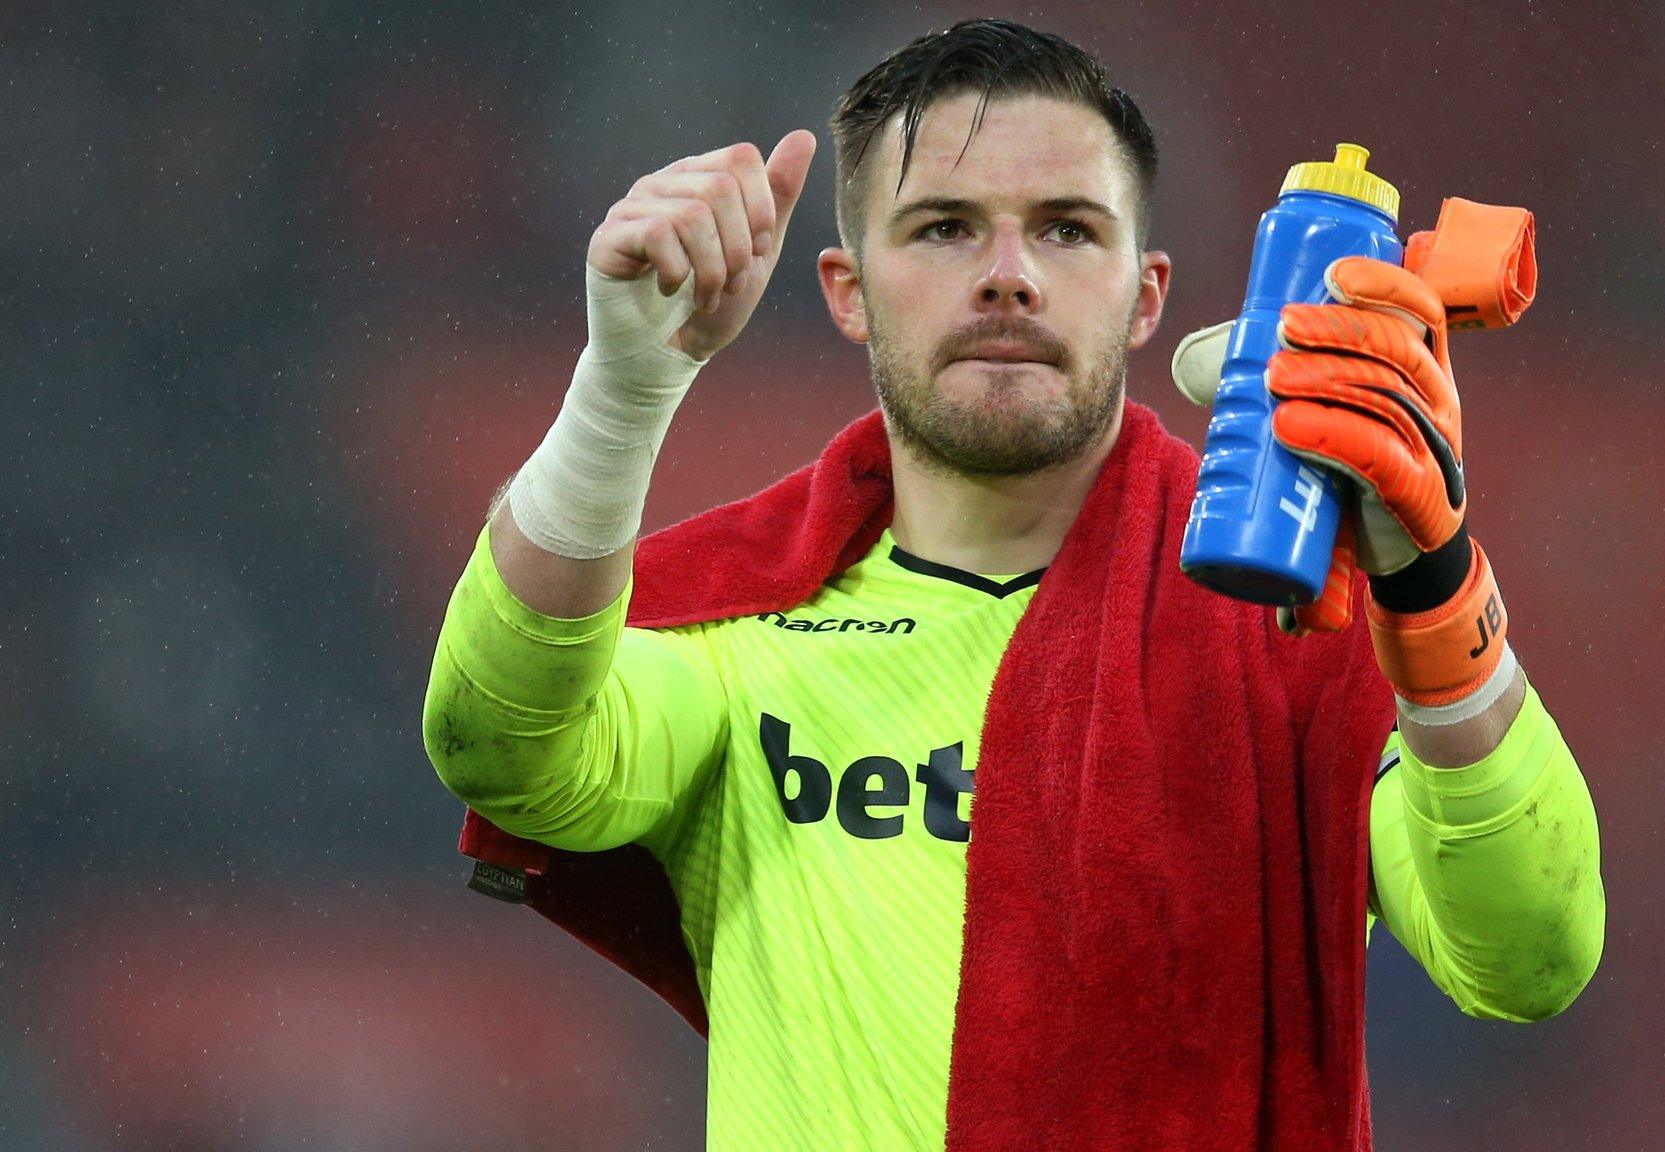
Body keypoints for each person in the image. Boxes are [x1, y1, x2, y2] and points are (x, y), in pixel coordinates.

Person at [422, 17, 1603, 1151]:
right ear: (846, 290)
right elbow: (502, 747)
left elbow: (1525, 957)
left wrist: (1433, 583)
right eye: (942, 228)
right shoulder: (746, 630)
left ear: (1144, 295)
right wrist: (624, 388)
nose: (1007, 277)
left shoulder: (1292, 619)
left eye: (1065, 230)